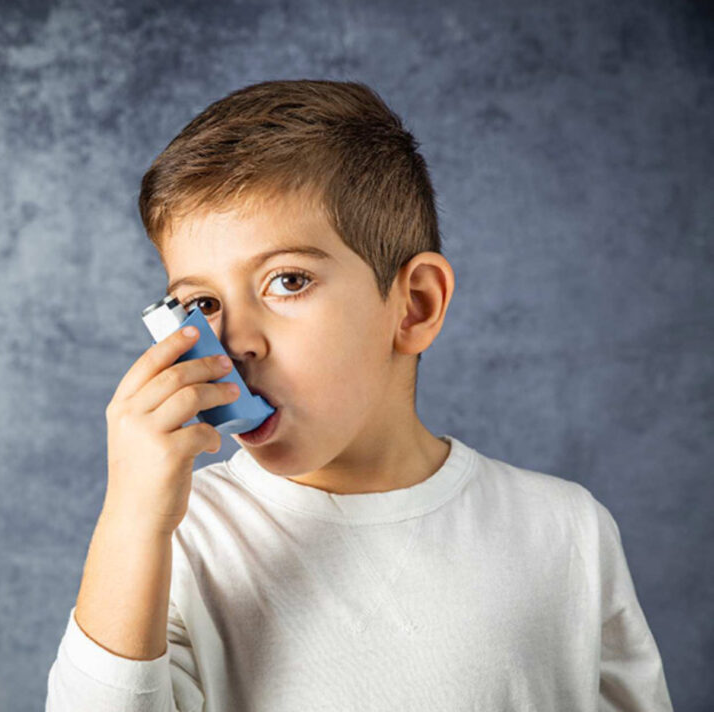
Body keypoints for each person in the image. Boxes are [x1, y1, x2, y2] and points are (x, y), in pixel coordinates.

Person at [44, 79, 673, 711]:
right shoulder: (177, 539)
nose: (237, 342)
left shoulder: (565, 531)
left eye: (288, 281)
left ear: (414, 305)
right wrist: (130, 519)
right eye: (203, 304)